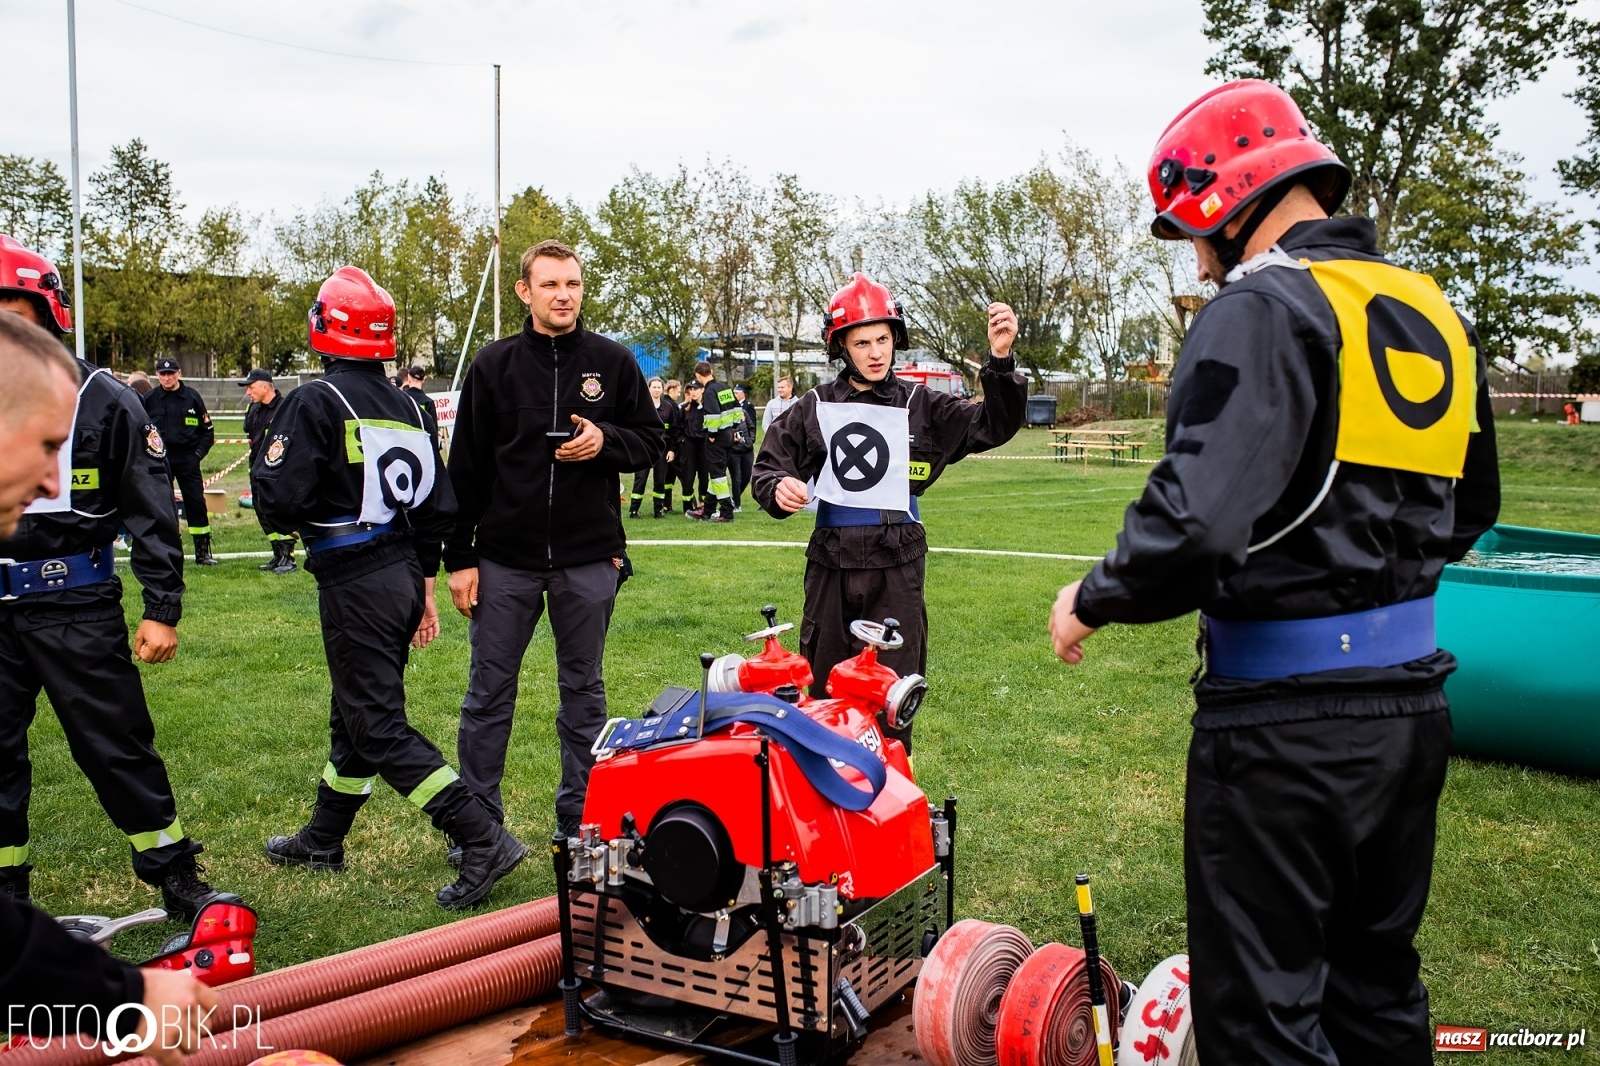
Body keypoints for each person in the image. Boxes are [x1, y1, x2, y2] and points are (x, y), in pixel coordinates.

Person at [1047, 81, 1500, 1066]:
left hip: (1282, 728)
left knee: (1262, 1018)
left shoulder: (1264, 304)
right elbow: (1470, 509)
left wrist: (1093, 594)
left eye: (1193, 234)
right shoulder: (1431, 312)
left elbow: (1198, 519)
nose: (1199, 260)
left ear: (1222, 198)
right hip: (1410, 712)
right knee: (1377, 995)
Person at [254, 266, 526, 910]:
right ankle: (324, 837)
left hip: (354, 574)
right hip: (402, 569)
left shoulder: (314, 402)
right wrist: (423, 585)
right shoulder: (411, 404)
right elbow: (438, 507)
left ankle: (480, 835)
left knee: (376, 724)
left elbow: (279, 501)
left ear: (325, 328)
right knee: (354, 712)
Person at [0, 240, 236, 921]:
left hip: (74, 604)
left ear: (47, 311)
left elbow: (151, 510)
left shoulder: (101, 399)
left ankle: (175, 878)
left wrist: (162, 606)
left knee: (117, 747)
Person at [752, 273, 1025, 751]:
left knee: (892, 693)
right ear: (842, 347)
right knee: (822, 692)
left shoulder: (921, 404)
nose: (876, 352)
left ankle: (892, 795)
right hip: (831, 566)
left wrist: (999, 361)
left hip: (896, 565)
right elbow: (767, 468)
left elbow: (992, 425)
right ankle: (824, 802)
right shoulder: (814, 405)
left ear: (895, 339)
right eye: (862, 342)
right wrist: (779, 488)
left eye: (883, 339)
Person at [445, 241, 662, 839]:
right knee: (488, 695)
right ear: (525, 291)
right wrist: (460, 558)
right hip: (503, 560)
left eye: (572, 284)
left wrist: (606, 442)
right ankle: (479, 828)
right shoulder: (493, 365)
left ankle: (581, 820)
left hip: (588, 558)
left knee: (584, 694)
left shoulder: (614, 362)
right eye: (550, 285)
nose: (563, 295)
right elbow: (463, 470)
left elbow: (650, 442)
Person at [141, 358, 216, 566]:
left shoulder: (192, 397)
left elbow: (207, 432)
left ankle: (203, 552)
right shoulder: (150, 399)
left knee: (196, 503)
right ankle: (168, 550)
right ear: (157, 375)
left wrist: (197, 455)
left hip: (188, 459)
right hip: (161, 459)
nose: (167, 378)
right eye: (163, 374)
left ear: (179, 373)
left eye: (171, 373)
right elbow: (140, 431)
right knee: (162, 506)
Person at [239, 367, 296, 574]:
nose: (248, 392)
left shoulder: (284, 408)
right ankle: (278, 553)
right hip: (256, 467)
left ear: (265, 387)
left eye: (252, 388)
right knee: (261, 510)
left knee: (280, 509)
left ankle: (289, 556)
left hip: (278, 470)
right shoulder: (254, 408)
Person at [687, 361, 738, 522]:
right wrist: (733, 427)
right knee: (716, 473)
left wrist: (712, 434)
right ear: (711, 371)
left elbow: (713, 415)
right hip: (729, 434)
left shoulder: (709, 392)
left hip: (717, 437)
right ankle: (708, 510)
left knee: (717, 476)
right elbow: (737, 410)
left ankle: (726, 511)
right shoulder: (725, 388)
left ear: (698, 375)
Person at [629, 376, 680, 519]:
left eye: (659, 387)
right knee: (640, 479)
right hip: (644, 448)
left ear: (663, 390)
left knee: (660, 480)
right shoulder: (641, 406)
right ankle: (634, 510)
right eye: (654, 387)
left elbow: (674, 431)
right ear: (649, 389)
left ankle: (658, 510)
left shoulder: (668, 408)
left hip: (662, 449)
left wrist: (672, 450)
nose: (656, 390)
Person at [678, 380, 707, 514]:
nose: (693, 392)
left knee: (704, 477)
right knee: (688, 477)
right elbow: (676, 428)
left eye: (695, 389)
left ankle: (704, 504)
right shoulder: (684, 408)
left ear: (702, 389)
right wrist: (682, 440)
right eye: (691, 389)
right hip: (688, 446)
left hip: (704, 445)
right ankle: (688, 507)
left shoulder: (709, 407)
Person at [727, 383, 758, 511]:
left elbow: (752, 426)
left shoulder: (745, 410)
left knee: (746, 476)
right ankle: (737, 505)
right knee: (737, 478)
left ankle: (734, 499)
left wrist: (750, 440)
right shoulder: (727, 415)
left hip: (747, 450)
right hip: (734, 451)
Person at [401, 365, 440, 442]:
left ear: (408, 379)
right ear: (423, 380)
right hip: (423, 445)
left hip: (404, 444)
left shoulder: (401, 398)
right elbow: (433, 431)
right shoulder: (428, 402)